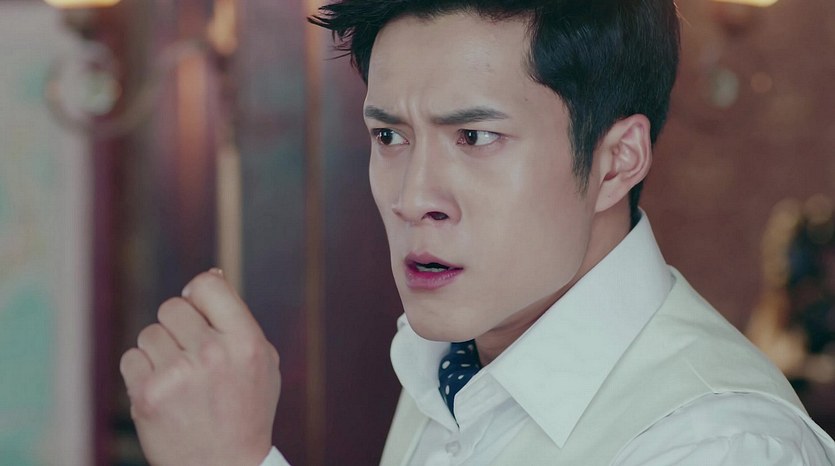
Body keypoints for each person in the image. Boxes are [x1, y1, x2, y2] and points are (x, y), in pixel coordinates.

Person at [120, 0, 835, 465]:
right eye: (389, 136)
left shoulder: (720, 444)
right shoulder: (447, 366)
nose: (412, 199)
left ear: (617, 160)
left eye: (474, 137)